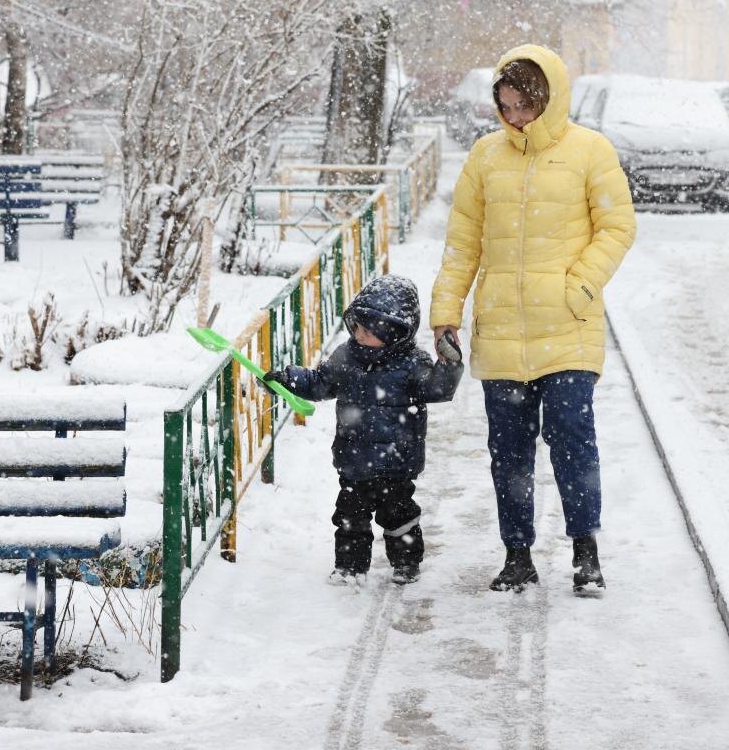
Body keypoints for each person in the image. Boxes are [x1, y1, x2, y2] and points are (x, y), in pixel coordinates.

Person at [430, 44, 637, 593]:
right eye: (506, 105)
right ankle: (517, 554)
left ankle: (585, 551)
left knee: (572, 437)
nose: (516, 116)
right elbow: (463, 243)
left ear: (550, 98)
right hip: (500, 330)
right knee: (509, 450)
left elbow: (617, 228)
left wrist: (579, 286)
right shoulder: (485, 157)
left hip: (568, 329)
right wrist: (445, 312)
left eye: (525, 104)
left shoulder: (590, 151)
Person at [264, 274, 463, 586]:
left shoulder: (412, 363)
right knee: (349, 518)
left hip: (396, 463)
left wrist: (449, 365)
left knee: (399, 516)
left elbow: (437, 389)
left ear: (395, 332)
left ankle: (406, 563)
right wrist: (290, 379)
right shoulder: (346, 357)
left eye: (368, 331)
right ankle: (350, 568)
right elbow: (320, 383)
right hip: (354, 458)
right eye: (356, 328)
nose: (359, 335)